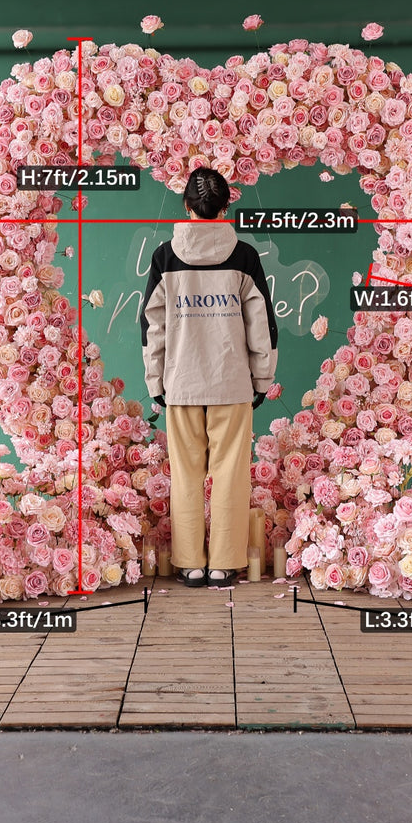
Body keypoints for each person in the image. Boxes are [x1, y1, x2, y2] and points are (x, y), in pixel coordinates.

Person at [140, 168, 278, 587]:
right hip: (231, 384)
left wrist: (155, 384)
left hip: (180, 385)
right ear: (226, 206)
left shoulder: (165, 257)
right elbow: (263, 327)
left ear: (186, 206)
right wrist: (261, 380)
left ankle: (190, 565)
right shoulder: (245, 257)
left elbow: (152, 327)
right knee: (231, 474)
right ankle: (222, 564)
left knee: (185, 473)